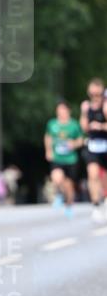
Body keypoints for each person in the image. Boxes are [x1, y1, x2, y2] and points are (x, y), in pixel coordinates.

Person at [44, 101, 83, 218]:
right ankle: (60, 195)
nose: (61, 112)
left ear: (68, 111)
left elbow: (81, 140)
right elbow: (48, 137)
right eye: (59, 110)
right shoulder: (52, 124)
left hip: (71, 159)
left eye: (63, 110)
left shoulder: (74, 125)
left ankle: (69, 205)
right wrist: (48, 150)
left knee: (70, 186)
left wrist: (74, 144)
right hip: (57, 158)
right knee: (57, 178)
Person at [79, 77, 107, 222]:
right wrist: (84, 113)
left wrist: (101, 126)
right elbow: (84, 127)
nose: (95, 97)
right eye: (92, 94)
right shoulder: (86, 106)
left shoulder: (106, 106)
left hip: (105, 143)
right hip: (93, 145)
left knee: (105, 178)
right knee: (92, 174)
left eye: (98, 94)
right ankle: (96, 205)